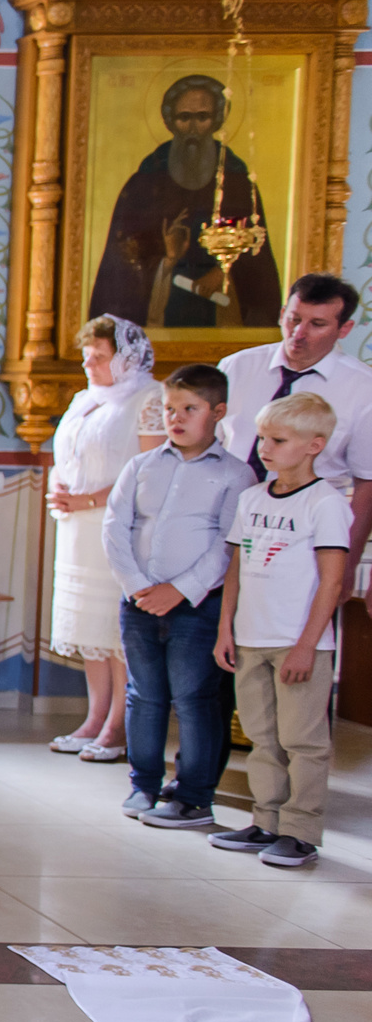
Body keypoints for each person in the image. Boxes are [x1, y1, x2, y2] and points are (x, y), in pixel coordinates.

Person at [102, 363, 245, 831]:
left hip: (196, 606)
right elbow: (115, 527)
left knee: (194, 698)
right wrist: (135, 585)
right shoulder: (142, 466)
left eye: (190, 409)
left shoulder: (234, 475)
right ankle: (144, 782)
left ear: (218, 412)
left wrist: (178, 590)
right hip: (139, 600)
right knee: (144, 695)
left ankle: (193, 797)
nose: (176, 418)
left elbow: (228, 545)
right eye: (169, 409)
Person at [209, 389, 348, 869]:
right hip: (252, 636)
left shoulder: (325, 503)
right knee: (263, 736)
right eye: (263, 438)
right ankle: (265, 820)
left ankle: (301, 830)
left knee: (303, 740)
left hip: (298, 643)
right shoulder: (251, 498)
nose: (265, 448)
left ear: (314, 445)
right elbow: (236, 568)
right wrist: (226, 629)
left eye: (279, 439)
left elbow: (331, 581)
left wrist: (307, 646)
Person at [45, 316, 164, 761]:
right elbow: (68, 455)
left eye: (99, 357)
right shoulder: (83, 400)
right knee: (89, 628)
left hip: (118, 525)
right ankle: (95, 717)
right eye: (86, 357)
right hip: (77, 526)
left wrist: (91, 499)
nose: (88, 365)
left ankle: (118, 726)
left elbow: (149, 472)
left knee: (116, 631)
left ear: (127, 358)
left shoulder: (150, 398)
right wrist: (60, 488)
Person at [85, 75, 281, 329]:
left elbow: (257, 258)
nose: (192, 128)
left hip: (223, 308)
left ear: (216, 121)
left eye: (202, 117)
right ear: (170, 121)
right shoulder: (144, 185)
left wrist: (224, 272)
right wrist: (166, 260)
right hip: (159, 310)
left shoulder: (238, 184)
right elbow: (122, 264)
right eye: (184, 117)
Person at [218, 273, 372, 573]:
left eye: (317, 324)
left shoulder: (363, 388)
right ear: (281, 315)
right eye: (293, 319)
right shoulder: (237, 367)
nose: (299, 333)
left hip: (303, 538)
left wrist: (344, 566)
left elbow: (367, 483)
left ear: (344, 329)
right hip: (223, 524)